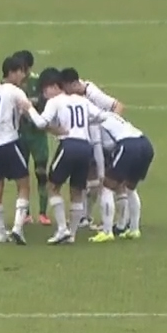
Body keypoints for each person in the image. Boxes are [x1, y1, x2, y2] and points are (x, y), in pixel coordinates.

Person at [31, 71, 102, 246]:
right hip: (86, 147)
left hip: (69, 146)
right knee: (77, 190)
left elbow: (41, 123)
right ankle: (72, 234)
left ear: (54, 87)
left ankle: (62, 229)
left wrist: (28, 109)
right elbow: (100, 115)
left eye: (45, 90)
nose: (44, 95)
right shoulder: (82, 100)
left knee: (52, 186)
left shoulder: (55, 102)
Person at [0, 55, 40, 246]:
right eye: (21, 71)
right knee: (24, 184)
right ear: (13, 72)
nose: (23, 75)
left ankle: (0, 233)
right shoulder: (15, 91)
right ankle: (17, 227)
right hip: (9, 143)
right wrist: (45, 122)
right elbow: (31, 112)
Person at [59, 70, 120, 230]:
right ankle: (85, 217)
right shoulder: (77, 97)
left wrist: (112, 128)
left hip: (104, 143)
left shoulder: (92, 93)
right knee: (87, 180)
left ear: (73, 84)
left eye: (66, 88)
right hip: (89, 142)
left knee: (105, 181)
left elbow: (117, 106)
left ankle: (119, 221)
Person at [91, 104, 153, 241]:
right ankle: (134, 229)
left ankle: (107, 232)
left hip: (128, 146)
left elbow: (98, 150)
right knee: (130, 188)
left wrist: (102, 174)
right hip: (145, 144)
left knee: (107, 186)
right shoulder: (111, 115)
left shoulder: (94, 122)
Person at [11, 50, 54, 226]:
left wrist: (34, 103)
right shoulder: (11, 84)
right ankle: (26, 213)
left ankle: (43, 213)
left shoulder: (38, 82)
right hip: (19, 135)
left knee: (42, 174)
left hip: (38, 136)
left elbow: (48, 102)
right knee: (21, 175)